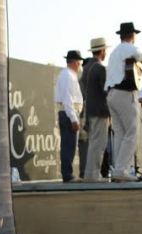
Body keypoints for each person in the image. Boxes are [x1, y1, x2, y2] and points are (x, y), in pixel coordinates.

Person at [105, 22, 142, 181]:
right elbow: (141, 57)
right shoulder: (128, 48)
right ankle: (121, 170)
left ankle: (119, 170)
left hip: (111, 94)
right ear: (132, 35)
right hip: (125, 94)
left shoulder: (114, 53)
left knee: (120, 133)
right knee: (132, 132)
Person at [54, 50, 84, 182]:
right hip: (68, 113)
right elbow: (67, 98)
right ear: (75, 62)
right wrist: (73, 118)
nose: (80, 65)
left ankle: (68, 173)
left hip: (69, 112)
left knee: (70, 145)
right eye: (79, 62)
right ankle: (67, 174)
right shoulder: (67, 75)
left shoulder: (68, 75)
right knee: (68, 145)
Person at [83, 37, 110, 182]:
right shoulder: (100, 68)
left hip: (90, 110)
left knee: (93, 143)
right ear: (102, 51)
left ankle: (90, 174)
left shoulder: (86, 67)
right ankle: (94, 175)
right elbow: (106, 92)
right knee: (99, 144)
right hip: (100, 111)